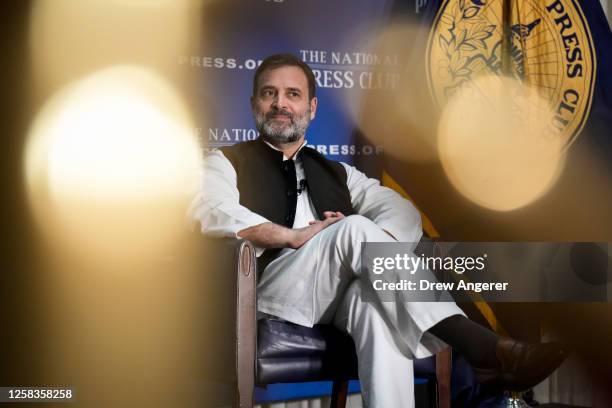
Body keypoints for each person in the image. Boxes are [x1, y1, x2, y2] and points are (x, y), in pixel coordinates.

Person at [189, 53, 566, 407]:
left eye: (293, 94)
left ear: (312, 107)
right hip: (269, 292)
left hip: (333, 296)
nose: (280, 104)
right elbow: (208, 209)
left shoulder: (338, 173)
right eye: (269, 94)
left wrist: (374, 249)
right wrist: (290, 235)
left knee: (377, 308)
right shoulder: (225, 162)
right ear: (255, 103)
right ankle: (484, 348)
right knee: (354, 229)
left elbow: (400, 212)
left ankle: (475, 358)